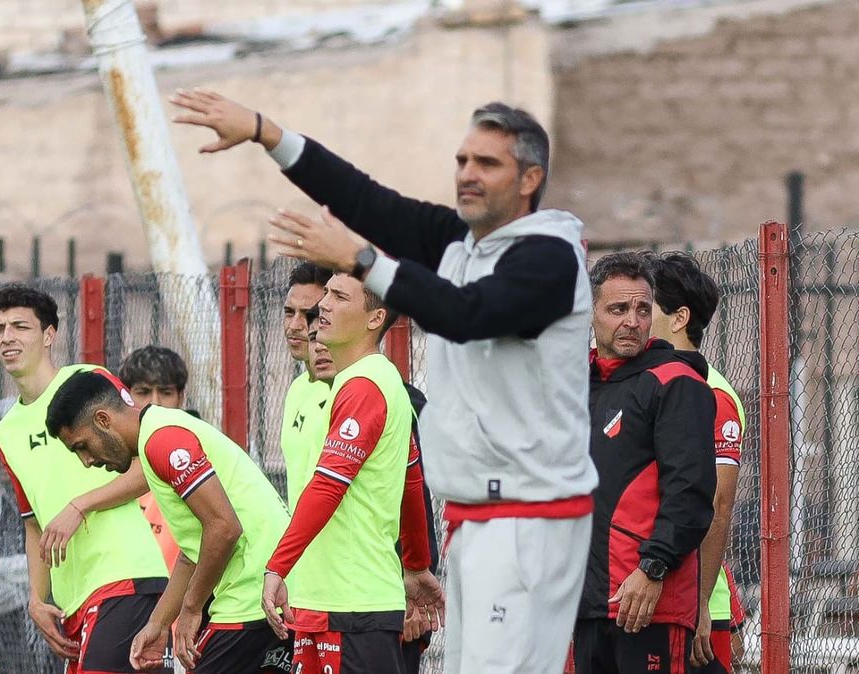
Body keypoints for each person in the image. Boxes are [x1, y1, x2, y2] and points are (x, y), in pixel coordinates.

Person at [171, 89, 596, 674]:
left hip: (529, 518)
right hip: (477, 519)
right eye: (463, 161)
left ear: (531, 179)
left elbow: (466, 315)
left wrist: (364, 259)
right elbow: (367, 199)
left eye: (488, 163)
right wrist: (268, 132)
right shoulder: (465, 244)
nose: (468, 174)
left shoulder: (549, 257)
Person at [46, 369, 294, 673]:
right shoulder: (155, 441)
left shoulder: (162, 440)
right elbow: (193, 552)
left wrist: (190, 610)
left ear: (103, 420)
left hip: (252, 593)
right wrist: (159, 623)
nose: (87, 461)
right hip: (270, 591)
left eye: (82, 446)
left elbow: (224, 528)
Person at [260, 273, 442, 674]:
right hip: (328, 606)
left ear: (375, 318)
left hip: (352, 611)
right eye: (326, 293)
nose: (323, 304)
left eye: (339, 296)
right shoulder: (363, 382)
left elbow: (328, 485)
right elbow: (410, 478)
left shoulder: (365, 385)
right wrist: (415, 564)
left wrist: (277, 566)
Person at [0, 284, 169, 673]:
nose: (8, 337)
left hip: (125, 577)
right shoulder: (6, 432)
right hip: (76, 600)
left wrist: (81, 506)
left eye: (20, 326)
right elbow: (33, 522)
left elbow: (150, 465)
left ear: (49, 335)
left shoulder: (89, 380)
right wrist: (38, 599)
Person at [575, 253, 716, 674]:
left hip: (649, 601)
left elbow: (692, 494)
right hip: (588, 604)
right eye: (618, 309)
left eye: (642, 309)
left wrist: (652, 568)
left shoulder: (675, 382)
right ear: (590, 313)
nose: (632, 321)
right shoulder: (576, 386)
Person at [303, 308, 439, 674]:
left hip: (370, 599)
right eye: (312, 334)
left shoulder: (388, 395)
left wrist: (411, 574)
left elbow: (413, 494)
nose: (316, 342)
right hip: (312, 601)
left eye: (324, 329)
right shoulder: (301, 400)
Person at [644, 251, 746, 673]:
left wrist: (700, 604)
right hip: (647, 593)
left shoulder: (712, 395)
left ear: (678, 317)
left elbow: (718, 504)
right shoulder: (646, 384)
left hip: (692, 606)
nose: (633, 318)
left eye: (643, 306)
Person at [0, 398, 62, 674]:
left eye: (6, 444)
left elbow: (65, 570)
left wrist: (0, 568)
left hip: (65, 656)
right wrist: (36, 597)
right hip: (7, 664)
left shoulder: (59, 500)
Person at [119, 345, 193, 571]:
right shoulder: (105, 462)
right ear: (125, 397)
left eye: (166, 392)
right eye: (143, 392)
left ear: (181, 397)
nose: (155, 403)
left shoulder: (201, 455)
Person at [279, 262, 334, 510]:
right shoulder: (297, 389)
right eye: (289, 312)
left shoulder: (352, 388)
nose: (294, 326)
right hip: (304, 547)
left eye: (308, 314)